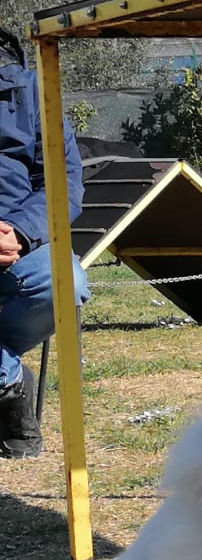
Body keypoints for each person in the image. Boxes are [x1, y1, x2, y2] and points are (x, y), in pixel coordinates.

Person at [0, 27, 90, 458]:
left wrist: (20, 231)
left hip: (20, 241)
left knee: (64, 282)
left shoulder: (29, 91)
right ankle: (9, 379)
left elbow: (65, 179)